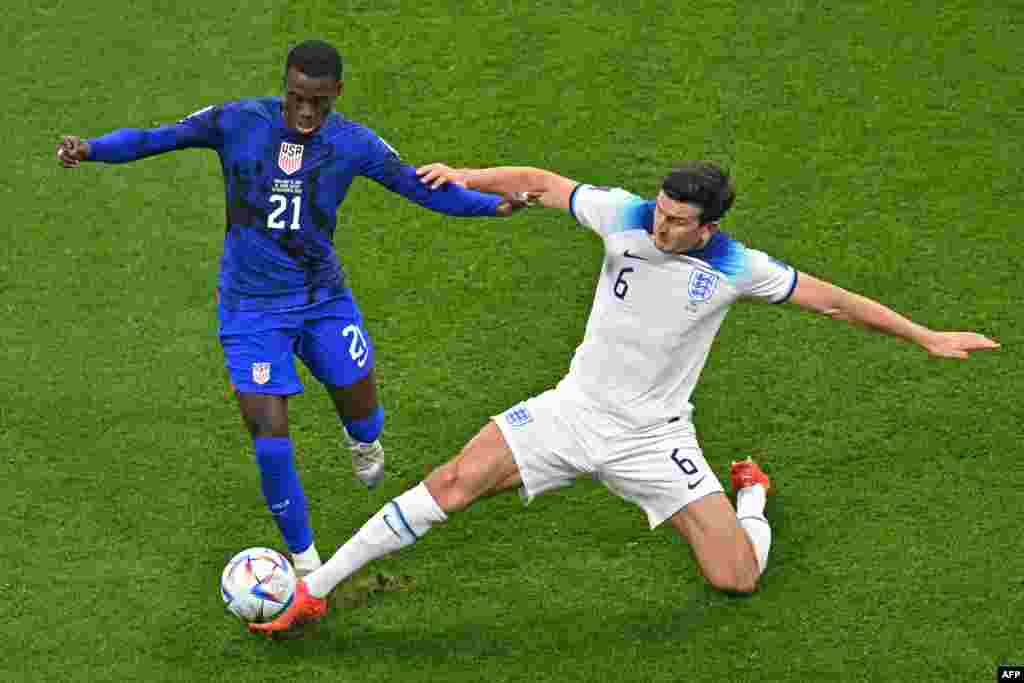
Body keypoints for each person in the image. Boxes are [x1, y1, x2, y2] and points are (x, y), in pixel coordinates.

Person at [249, 159, 1000, 635]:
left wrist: (926, 335)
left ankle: (754, 500)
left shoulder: (739, 267)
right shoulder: (625, 214)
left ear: (711, 226)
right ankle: (314, 589)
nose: (663, 224)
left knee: (736, 578)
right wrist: (466, 174)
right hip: (572, 411)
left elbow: (835, 302)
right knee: (453, 481)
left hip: (654, 439)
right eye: (662, 210)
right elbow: (542, 185)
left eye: (680, 220)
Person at [55, 40, 527, 576]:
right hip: (250, 311)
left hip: (321, 300)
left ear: (337, 94)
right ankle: (306, 567)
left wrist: (494, 207)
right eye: (297, 97)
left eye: (319, 102)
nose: (306, 111)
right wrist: (91, 148)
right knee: (270, 439)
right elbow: (155, 139)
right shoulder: (236, 121)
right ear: (285, 86)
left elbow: (419, 187)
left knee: (364, 414)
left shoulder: (354, 143)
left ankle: (362, 440)